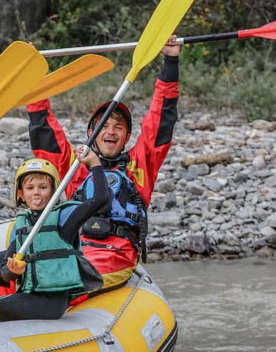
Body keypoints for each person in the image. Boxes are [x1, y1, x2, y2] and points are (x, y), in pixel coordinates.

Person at [26, 35, 181, 288]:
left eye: (118, 127)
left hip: (116, 258)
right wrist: (32, 76)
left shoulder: (140, 164)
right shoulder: (75, 167)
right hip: (77, 254)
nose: (110, 131)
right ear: (91, 133)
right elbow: (44, 132)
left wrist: (171, 62)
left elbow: (162, 118)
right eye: (104, 126)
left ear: (127, 137)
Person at [0, 153, 108, 327]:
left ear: (54, 191)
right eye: (30, 188)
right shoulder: (22, 224)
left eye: (43, 187)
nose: (36, 192)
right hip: (30, 297)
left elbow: (100, 199)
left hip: (52, 303)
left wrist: (94, 162)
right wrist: (13, 271)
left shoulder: (64, 218)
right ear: (21, 194)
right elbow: (5, 272)